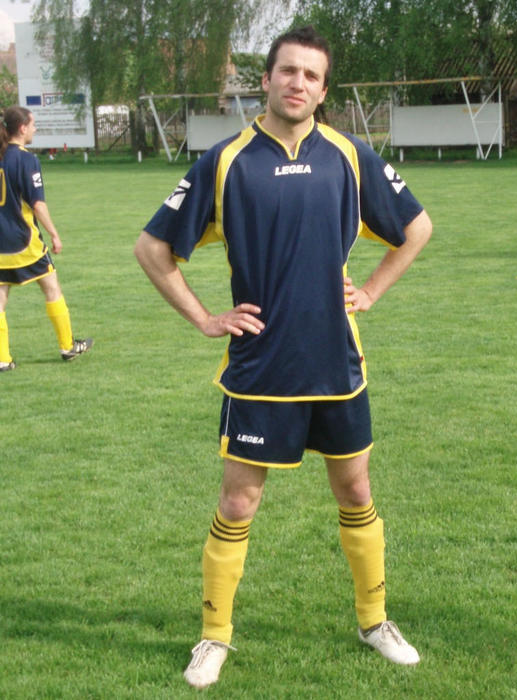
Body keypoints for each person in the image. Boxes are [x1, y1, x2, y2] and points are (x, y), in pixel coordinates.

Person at [135, 25, 432, 689]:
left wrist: (371, 290)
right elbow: (152, 249)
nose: (298, 83)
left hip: (337, 366)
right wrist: (205, 318)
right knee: (238, 502)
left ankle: (375, 621)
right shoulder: (225, 162)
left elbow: (417, 227)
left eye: (311, 76)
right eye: (288, 71)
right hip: (259, 369)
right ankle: (214, 636)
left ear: (323, 91)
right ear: (265, 80)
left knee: (356, 491)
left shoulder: (349, 155)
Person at [0, 106, 93, 371]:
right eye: (33, 124)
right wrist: (54, 233)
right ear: (22, 128)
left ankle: (3, 359)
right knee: (51, 286)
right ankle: (67, 346)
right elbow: (38, 205)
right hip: (24, 241)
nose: (35, 128)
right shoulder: (26, 160)